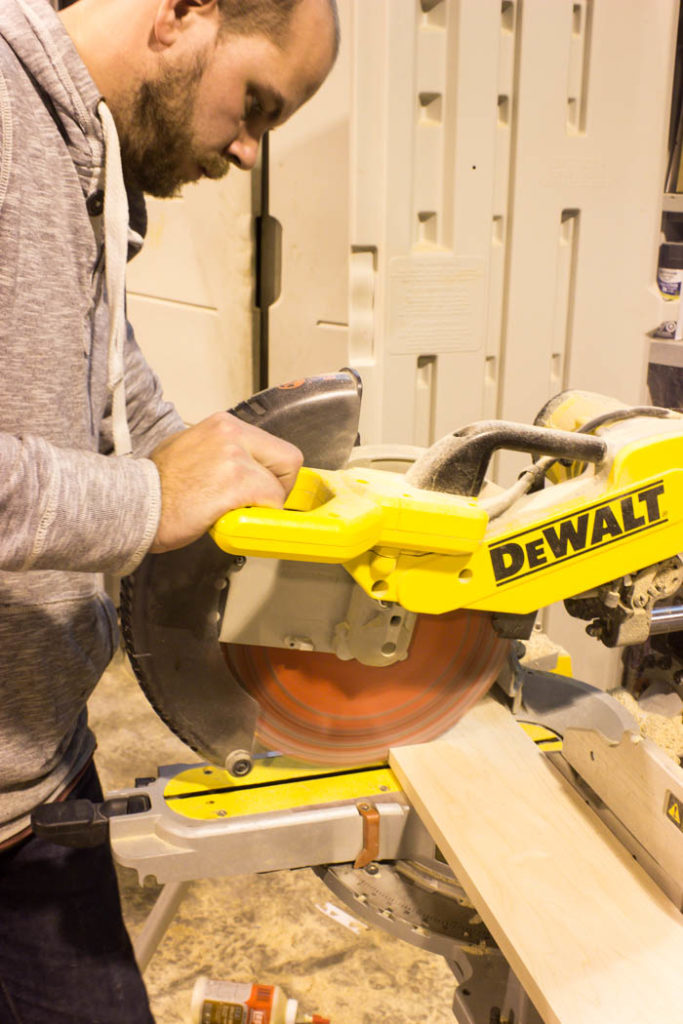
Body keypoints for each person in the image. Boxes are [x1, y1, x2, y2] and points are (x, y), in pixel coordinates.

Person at [0, 0, 338, 1020]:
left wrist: (249, 492)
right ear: (182, 12)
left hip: (37, 770)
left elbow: (107, 374)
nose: (246, 152)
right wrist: (152, 498)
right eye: (255, 105)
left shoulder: (79, 146)